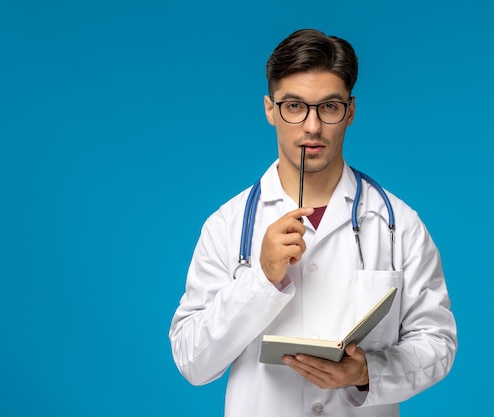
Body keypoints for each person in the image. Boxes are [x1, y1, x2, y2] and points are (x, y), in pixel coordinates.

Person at [169, 28, 457, 417]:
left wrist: (366, 372)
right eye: (294, 106)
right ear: (270, 110)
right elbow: (192, 362)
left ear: (350, 112)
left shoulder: (397, 224)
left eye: (329, 107)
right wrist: (261, 278)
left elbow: (437, 343)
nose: (312, 126)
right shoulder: (228, 225)